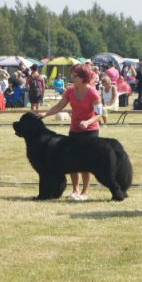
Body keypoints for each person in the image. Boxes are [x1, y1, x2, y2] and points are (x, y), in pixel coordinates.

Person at [40, 63, 102, 201]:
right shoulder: (69, 91)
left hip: (90, 131)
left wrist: (87, 122)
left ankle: (85, 192)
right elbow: (59, 106)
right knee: (72, 162)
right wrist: (45, 114)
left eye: (74, 75)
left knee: (86, 162)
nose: (71, 77)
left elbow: (99, 114)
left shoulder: (93, 92)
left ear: (83, 77)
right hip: (74, 130)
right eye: (72, 75)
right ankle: (75, 190)